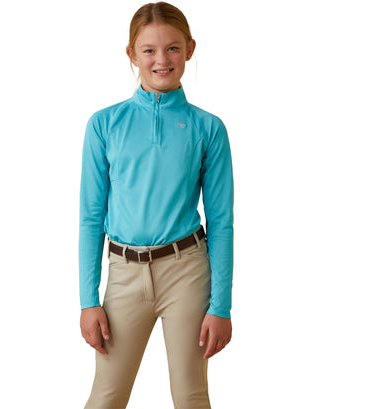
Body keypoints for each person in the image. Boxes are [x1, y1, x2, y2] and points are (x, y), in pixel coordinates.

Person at [79, 2, 234, 408]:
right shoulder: (104, 124)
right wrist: (88, 300)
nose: (161, 60)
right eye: (149, 50)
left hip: (187, 272)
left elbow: (221, 221)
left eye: (173, 48)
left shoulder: (208, 128)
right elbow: (91, 218)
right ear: (132, 54)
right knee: (107, 396)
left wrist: (221, 306)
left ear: (190, 49)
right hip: (124, 273)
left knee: (190, 395)